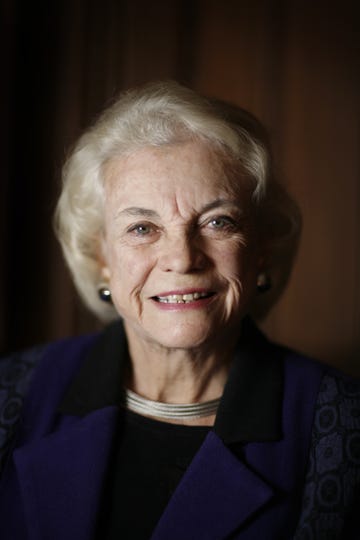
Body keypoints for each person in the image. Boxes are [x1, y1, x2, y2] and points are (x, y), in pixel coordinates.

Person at [0, 81, 359, 540]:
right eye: (142, 227)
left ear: (262, 249)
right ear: (101, 259)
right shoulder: (10, 394)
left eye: (217, 221)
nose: (183, 258)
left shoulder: (343, 427)